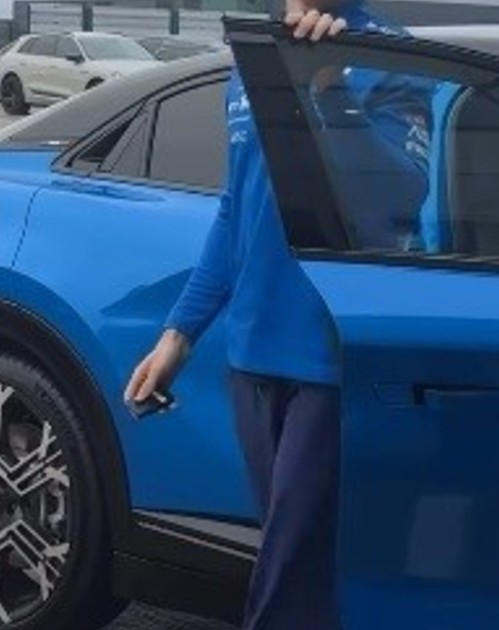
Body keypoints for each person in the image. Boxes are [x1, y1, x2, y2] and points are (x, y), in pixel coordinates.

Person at [124, 2, 431, 627]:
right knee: (295, 563)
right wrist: (179, 334)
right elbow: (234, 211)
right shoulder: (253, 63)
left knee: (294, 570)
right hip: (252, 358)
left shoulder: (390, 56)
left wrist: (331, 90)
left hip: (334, 361)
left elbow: (395, 198)